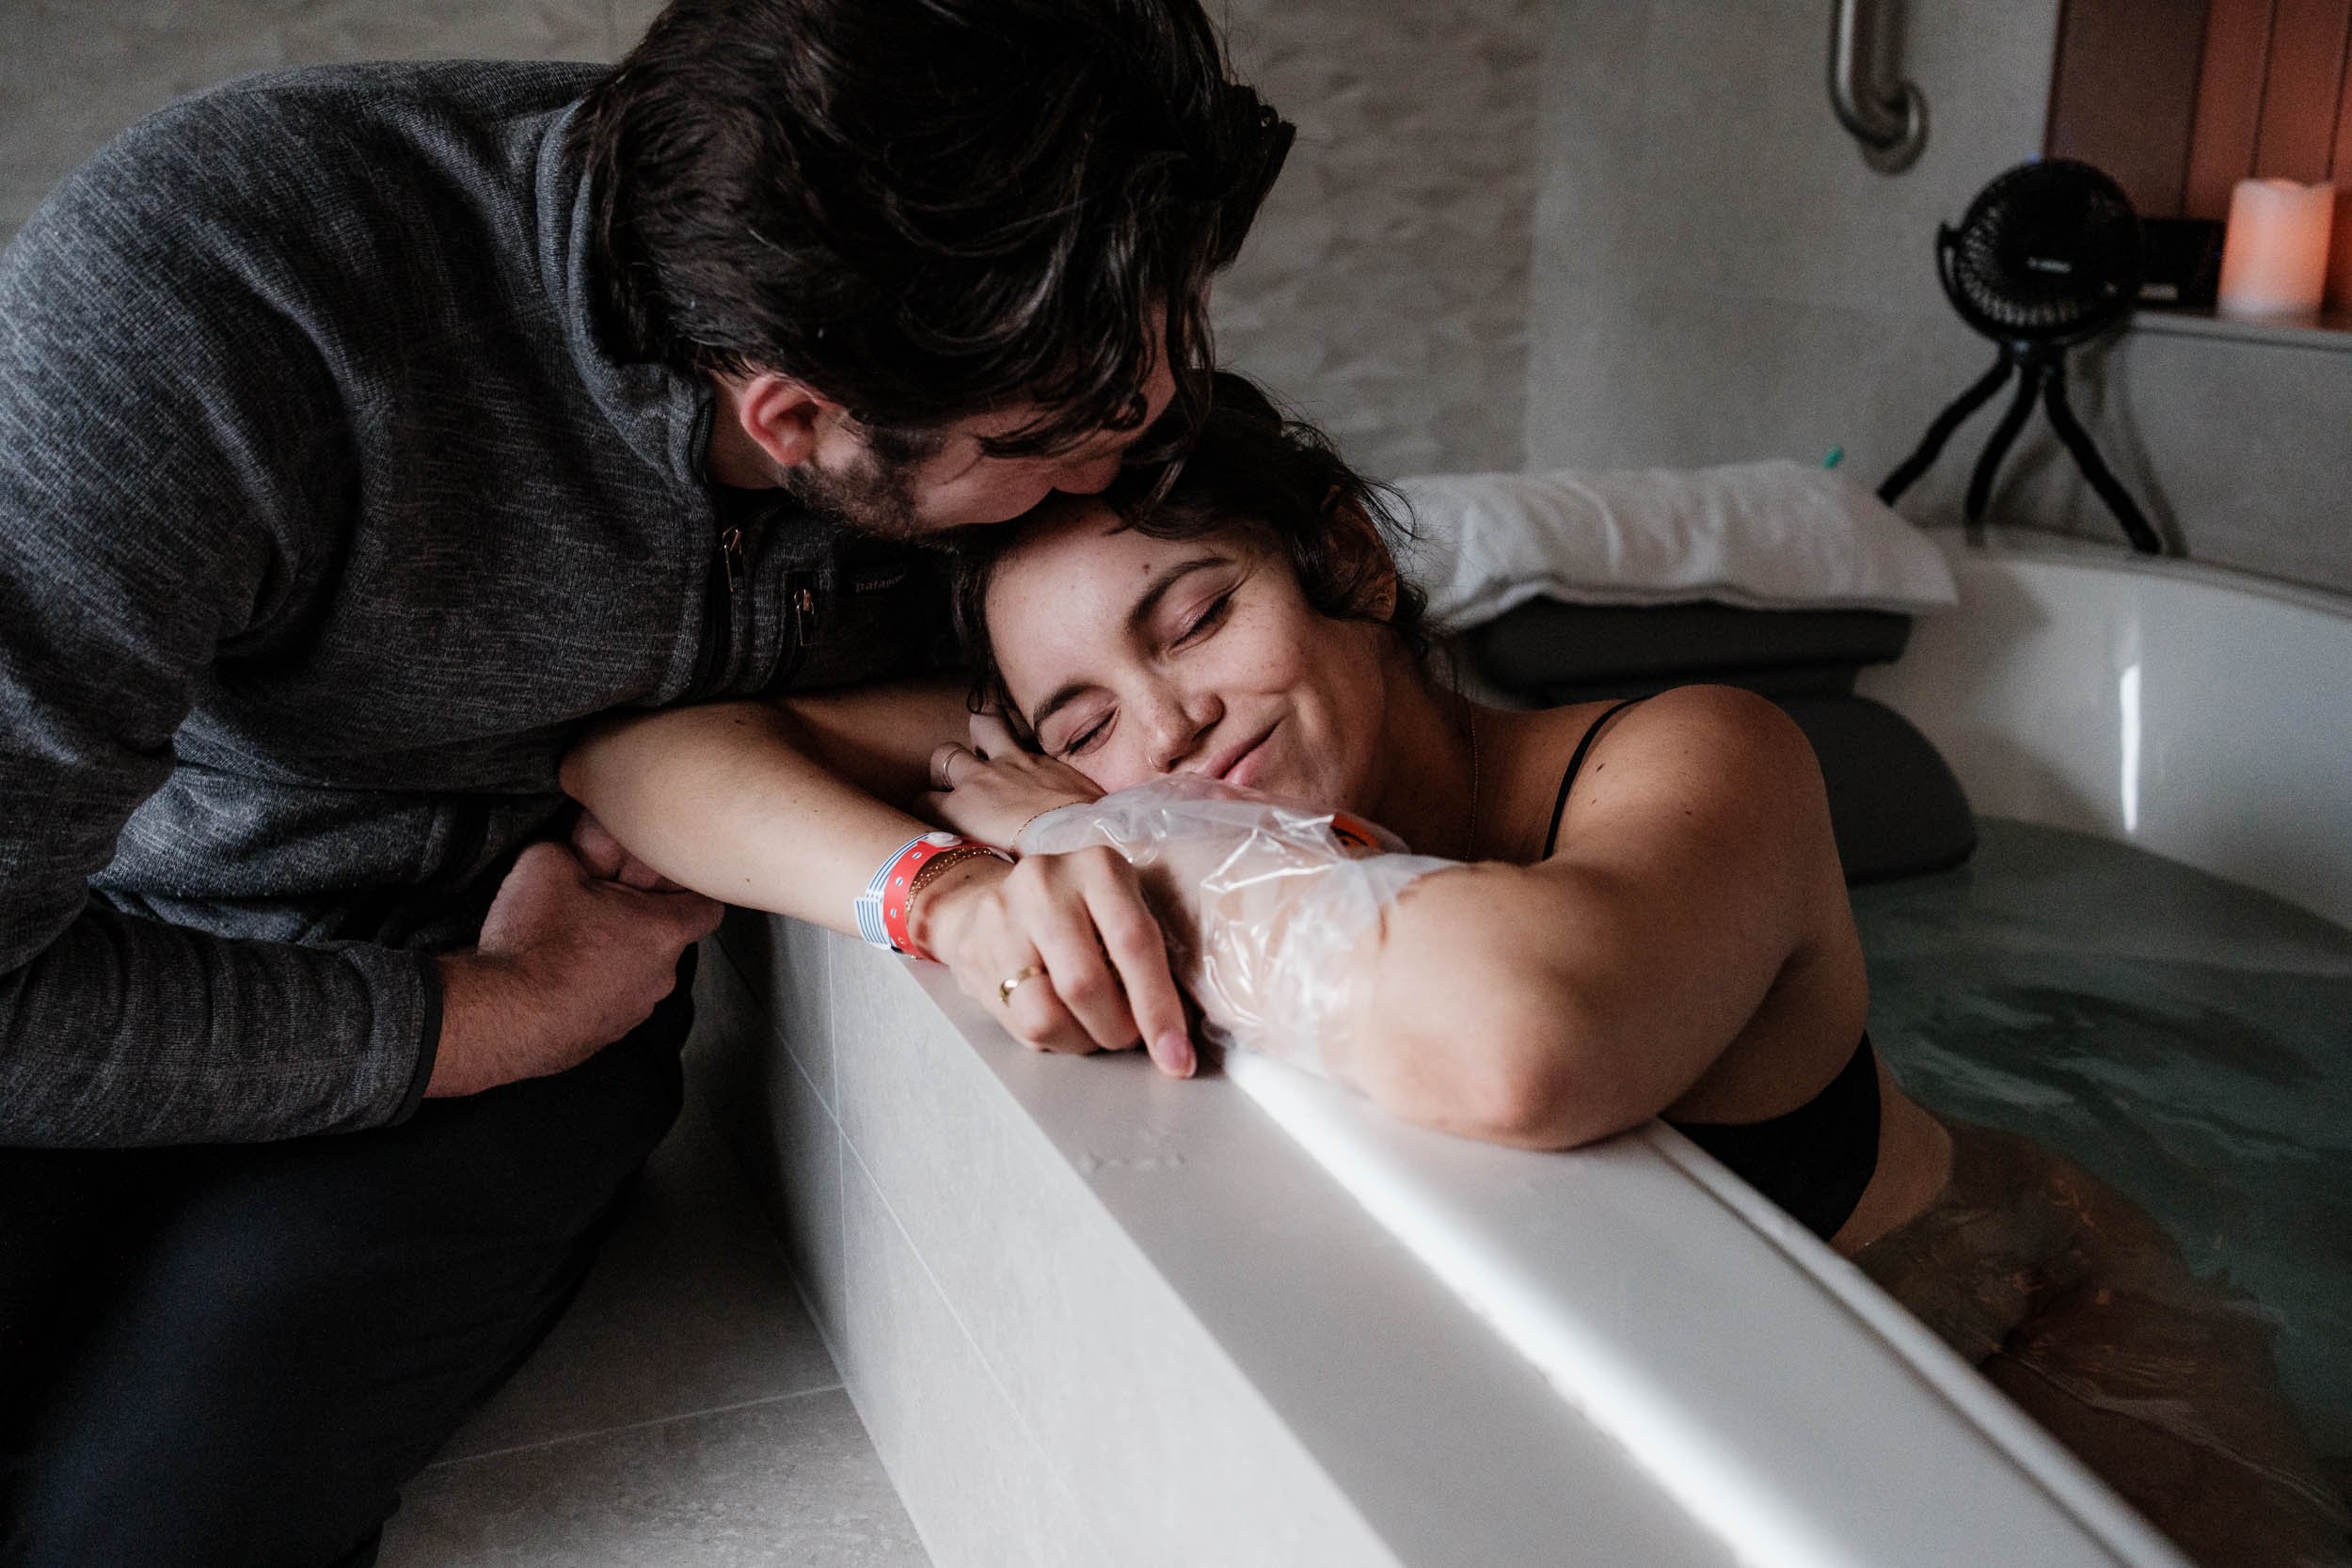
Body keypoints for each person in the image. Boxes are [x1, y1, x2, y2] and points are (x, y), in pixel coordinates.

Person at [565, 372, 2352, 1567]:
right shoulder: (1103, 773)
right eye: (1088, 717)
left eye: (1195, 615)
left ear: (1340, 559)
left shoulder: (1692, 754)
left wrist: (1125, 838)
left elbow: (1512, 1036)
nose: (1172, 726)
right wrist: (954, 884)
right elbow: (632, 755)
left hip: (2035, 1308)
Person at [0, 2, 1292, 1560]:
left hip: (556, 999)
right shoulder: (215, 290)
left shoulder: (994, 311)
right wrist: (502, 1013)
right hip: (156, 944)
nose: (1128, 447)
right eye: (1055, 436)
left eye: (1158, 363)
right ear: (795, 420)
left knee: (139, 1535)